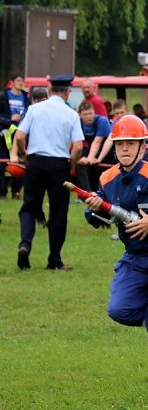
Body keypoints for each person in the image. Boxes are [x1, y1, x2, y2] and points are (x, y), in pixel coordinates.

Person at [82, 115, 148, 383]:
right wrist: (93, 209)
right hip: (134, 257)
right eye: (120, 144)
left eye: (131, 143)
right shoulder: (107, 178)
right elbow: (96, 219)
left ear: (143, 146)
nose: (124, 148)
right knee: (119, 310)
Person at [11, 74, 84, 270]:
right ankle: (54, 259)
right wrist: (71, 164)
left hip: (35, 161)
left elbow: (20, 136)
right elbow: (78, 146)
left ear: (50, 91)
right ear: (67, 93)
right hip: (59, 164)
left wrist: (24, 153)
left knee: (29, 205)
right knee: (58, 211)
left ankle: (25, 244)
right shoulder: (71, 114)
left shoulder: (34, 109)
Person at [0, 73, 30, 199]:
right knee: (2, 162)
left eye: (22, 81)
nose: (20, 83)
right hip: (5, 133)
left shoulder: (26, 98)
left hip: (21, 133)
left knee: (21, 161)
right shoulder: (3, 96)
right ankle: (2, 191)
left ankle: (16, 190)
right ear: (12, 82)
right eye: (18, 80)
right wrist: (10, 119)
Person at [76, 102, 112, 191]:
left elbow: (97, 142)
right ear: (80, 115)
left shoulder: (102, 121)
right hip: (94, 150)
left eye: (90, 113)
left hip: (108, 151)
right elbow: (75, 141)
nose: (88, 116)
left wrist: (90, 159)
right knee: (91, 175)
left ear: (94, 112)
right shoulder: (78, 123)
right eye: (85, 114)